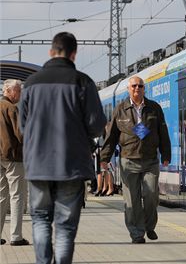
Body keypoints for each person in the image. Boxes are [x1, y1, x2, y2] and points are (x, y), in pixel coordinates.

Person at [18, 32, 106, 264]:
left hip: (38, 165)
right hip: (72, 165)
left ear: (51, 52)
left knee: (39, 219)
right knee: (65, 227)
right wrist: (83, 139)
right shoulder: (83, 82)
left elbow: (23, 126)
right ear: (74, 54)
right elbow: (97, 125)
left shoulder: (30, 84)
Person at [100, 76, 171, 244]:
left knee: (151, 195)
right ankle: (136, 233)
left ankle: (149, 226)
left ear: (144, 89)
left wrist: (166, 154)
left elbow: (163, 132)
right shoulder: (120, 109)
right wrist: (104, 158)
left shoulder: (154, 108)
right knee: (132, 199)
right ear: (128, 89)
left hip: (150, 160)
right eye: (133, 86)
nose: (137, 88)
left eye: (140, 86)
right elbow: (111, 136)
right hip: (128, 160)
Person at [0, 79, 29, 246]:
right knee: (17, 195)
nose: (20, 94)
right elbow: (21, 134)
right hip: (13, 158)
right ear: (9, 91)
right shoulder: (11, 108)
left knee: (1, 196)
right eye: (18, 91)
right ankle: (16, 236)